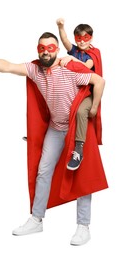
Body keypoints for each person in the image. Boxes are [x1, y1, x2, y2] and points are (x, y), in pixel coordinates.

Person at [0, 32, 108, 246]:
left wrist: (94, 107)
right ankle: (36, 219)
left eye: (50, 48)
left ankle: (83, 226)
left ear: (57, 50)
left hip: (75, 129)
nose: (45, 52)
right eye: (42, 48)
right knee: (43, 171)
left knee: (82, 176)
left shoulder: (69, 69)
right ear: (37, 50)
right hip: (55, 129)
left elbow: (98, 81)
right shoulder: (34, 69)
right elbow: (7, 66)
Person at [56, 18, 103, 171]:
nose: (82, 42)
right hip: (75, 90)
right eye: (78, 38)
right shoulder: (75, 50)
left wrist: (94, 106)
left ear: (91, 38)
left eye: (86, 38)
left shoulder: (92, 55)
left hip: (88, 93)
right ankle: (42, 134)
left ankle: (79, 149)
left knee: (81, 111)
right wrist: (61, 26)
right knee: (54, 95)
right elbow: (64, 40)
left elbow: (84, 67)